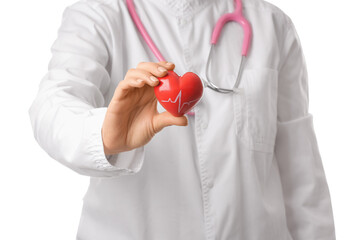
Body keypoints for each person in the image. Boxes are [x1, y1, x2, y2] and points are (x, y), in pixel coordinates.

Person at [28, 0, 336, 239]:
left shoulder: (272, 25)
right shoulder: (99, 14)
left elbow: (302, 177)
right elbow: (52, 104)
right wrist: (105, 135)